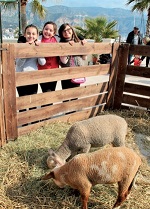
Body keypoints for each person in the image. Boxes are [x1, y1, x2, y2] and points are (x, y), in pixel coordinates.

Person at [16, 24, 46, 107]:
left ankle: (33, 119)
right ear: (24, 34)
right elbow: (18, 63)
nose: (31, 36)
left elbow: (42, 62)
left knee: (32, 101)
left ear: (37, 36)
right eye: (28, 33)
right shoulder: (19, 46)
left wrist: (38, 50)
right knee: (22, 101)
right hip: (20, 77)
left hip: (33, 77)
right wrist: (26, 51)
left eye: (33, 34)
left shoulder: (37, 47)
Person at [58, 23, 87, 90]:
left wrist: (84, 47)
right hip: (67, 74)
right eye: (64, 31)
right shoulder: (61, 44)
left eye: (68, 29)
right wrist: (68, 47)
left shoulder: (78, 42)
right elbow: (64, 61)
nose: (66, 32)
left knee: (75, 95)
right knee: (66, 97)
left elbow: (84, 58)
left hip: (78, 72)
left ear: (72, 30)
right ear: (61, 33)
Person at [38, 21, 60, 93]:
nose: (47, 31)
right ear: (43, 29)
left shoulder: (57, 39)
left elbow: (70, 37)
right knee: (46, 91)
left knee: (52, 91)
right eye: (46, 29)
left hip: (54, 71)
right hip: (42, 72)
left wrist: (82, 39)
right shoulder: (38, 39)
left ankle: (50, 104)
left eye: (51, 30)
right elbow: (24, 38)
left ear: (54, 33)